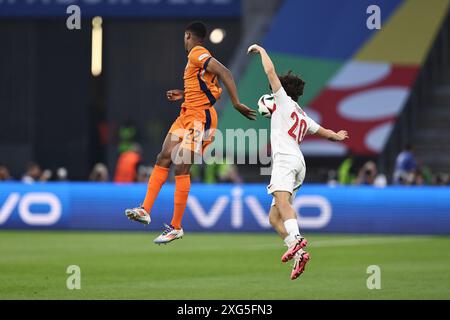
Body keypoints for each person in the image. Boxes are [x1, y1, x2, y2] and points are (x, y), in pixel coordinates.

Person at [125, 21, 256, 244]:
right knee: (163, 156)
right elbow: (206, 88)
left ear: (188, 36)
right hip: (186, 114)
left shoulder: (197, 53)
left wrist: (236, 103)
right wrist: (183, 95)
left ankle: (176, 227)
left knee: (181, 166)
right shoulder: (196, 60)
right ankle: (145, 209)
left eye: (184, 37)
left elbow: (224, 72)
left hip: (200, 118)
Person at [248, 44, 349, 280]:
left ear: (284, 91)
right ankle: (299, 253)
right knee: (273, 218)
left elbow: (270, 73)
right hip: (299, 163)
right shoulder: (302, 115)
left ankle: (296, 239)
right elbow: (326, 133)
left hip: (284, 159)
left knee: (282, 203)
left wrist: (262, 51)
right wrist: (338, 136)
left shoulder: (282, 101)